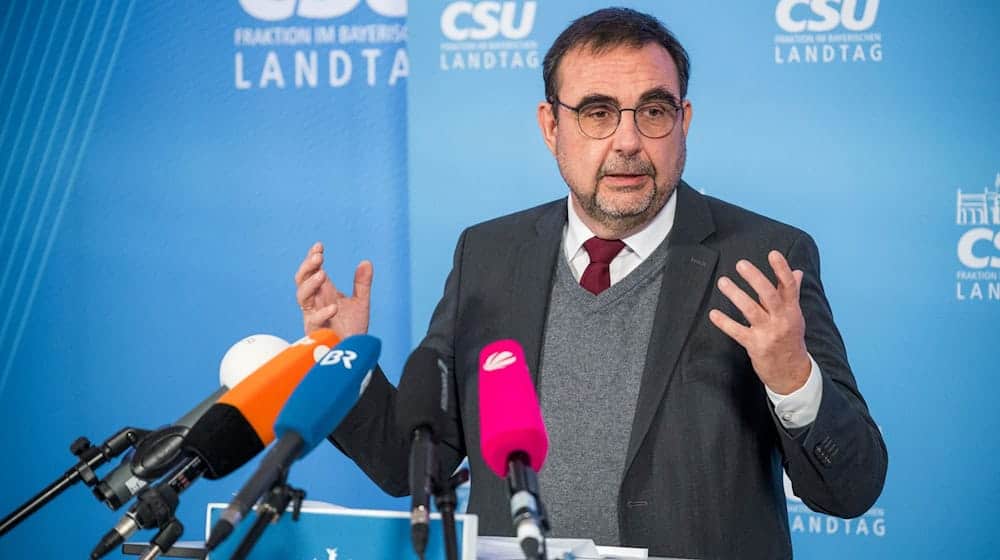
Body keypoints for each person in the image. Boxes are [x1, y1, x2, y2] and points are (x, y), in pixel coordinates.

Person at [293, 7, 887, 559]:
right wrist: (341, 359)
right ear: (551, 126)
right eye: (597, 112)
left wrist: (792, 378)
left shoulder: (764, 257)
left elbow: (851, 488)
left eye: (653, 111)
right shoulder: (489, 254)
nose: (627, 142)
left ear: (684, 122)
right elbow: (412, 468)